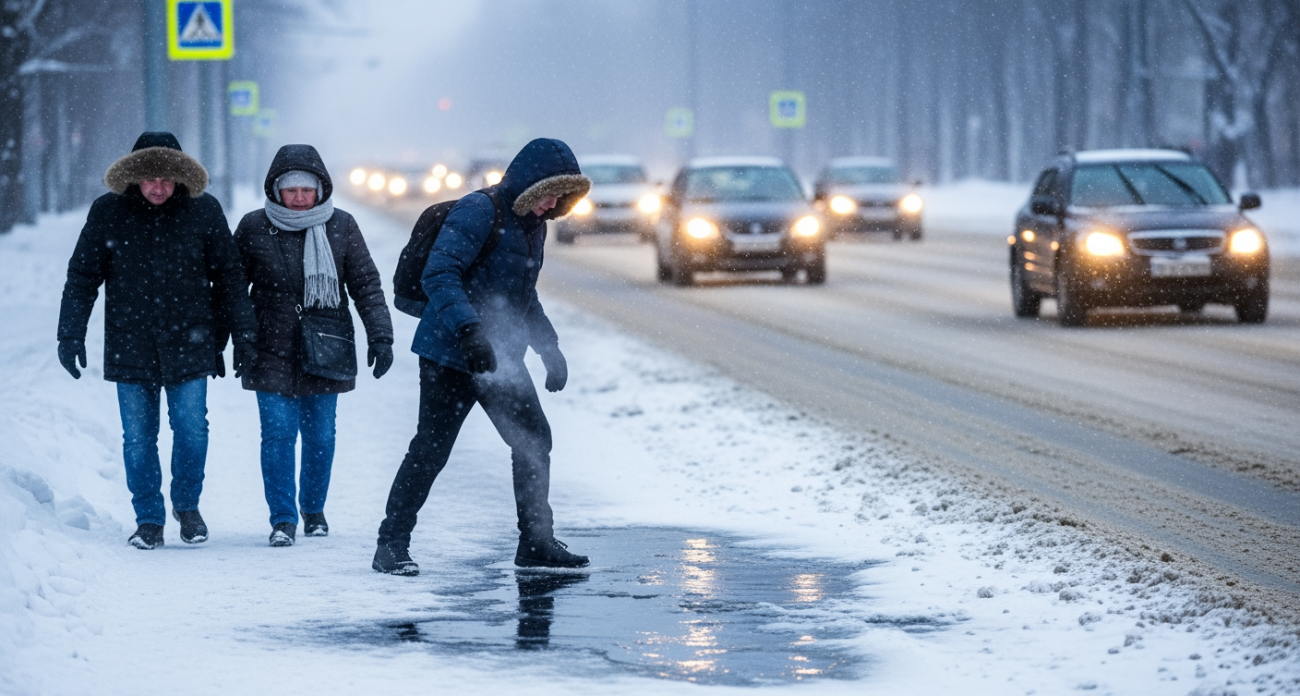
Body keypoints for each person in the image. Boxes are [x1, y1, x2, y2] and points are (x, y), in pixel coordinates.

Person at [373, 138, 592, 576]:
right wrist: (470, 331)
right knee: (431, 450)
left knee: (534, 440)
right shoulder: (479, 210)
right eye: (550, 192)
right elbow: (440, 272)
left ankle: (535, 542)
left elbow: (522, 296)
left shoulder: (535, 224)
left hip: (500, 357)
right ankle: (390, 544)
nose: (554, 203)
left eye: (562, 197)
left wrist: (548, 346)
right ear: (530, 184)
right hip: (449, 354)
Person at [57, 132, 257, 550]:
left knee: (191, 430)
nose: (159, 186)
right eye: (149, 177)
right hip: (131, 341)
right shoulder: (109, 211)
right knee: (138, 437)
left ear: (181, 176)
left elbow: (231, 279)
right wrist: (70, 332)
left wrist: (244, 337)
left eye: (167, 177)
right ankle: (148, 518)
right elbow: (83, 276)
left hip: (190, 340)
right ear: (133, 176)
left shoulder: (203, 210)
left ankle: (187, 507)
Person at [234, 144, 394, 547]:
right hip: (268, 344)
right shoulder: (254, 227)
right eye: (291, 191)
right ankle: (283, 519)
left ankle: (314, 509)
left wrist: (381, 335)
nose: (300, 197)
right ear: (275, 191)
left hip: (327, 344)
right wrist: (232, 340)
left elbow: (366, 285)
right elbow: (233, 292)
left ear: (322, 189)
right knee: (278, 434)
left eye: (307, 189)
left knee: (321, 435)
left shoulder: (342, 225)